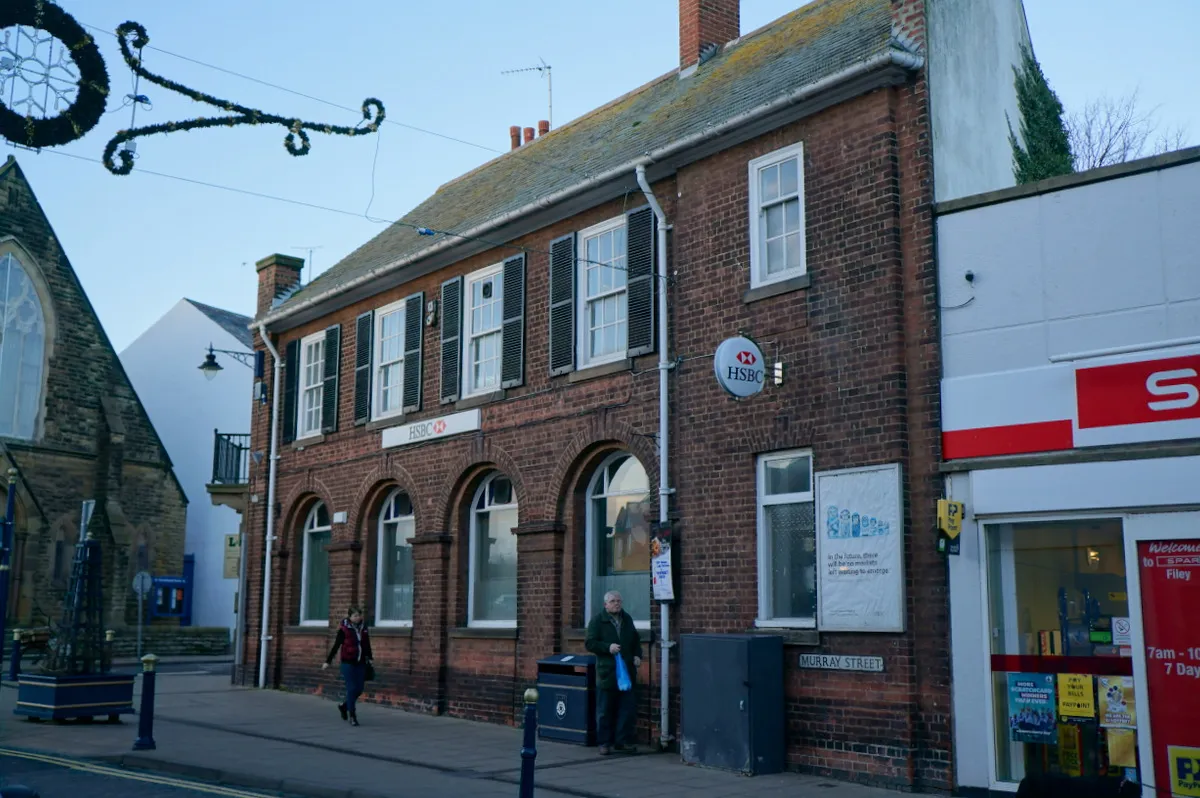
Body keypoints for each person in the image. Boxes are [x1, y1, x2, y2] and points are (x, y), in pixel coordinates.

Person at [585, 590, 643, 755]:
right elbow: (590, 643)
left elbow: (635, 640)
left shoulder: (627, 619)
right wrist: (607, 647)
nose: (616, 603)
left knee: (626, 709)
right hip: (607, 673)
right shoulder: (597, 621)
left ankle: (622, 741)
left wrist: (638, 655)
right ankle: (604, 742)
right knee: (605, 710)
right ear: (605, 605)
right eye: (613, 601)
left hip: (627, 673)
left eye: (619, 601)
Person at [321, 605, 373, 726]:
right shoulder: (344, 630)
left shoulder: (363, 628)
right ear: (350, 617)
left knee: (359, 689)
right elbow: (336, 646)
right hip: (348, 663)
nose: (358, 618)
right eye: (355, 616)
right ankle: (352, 715)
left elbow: (366, 644)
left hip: (360, 663)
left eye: (359, 615)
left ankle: (344, 706)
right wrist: (328, 661)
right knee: (351, 688)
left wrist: (370, 658)